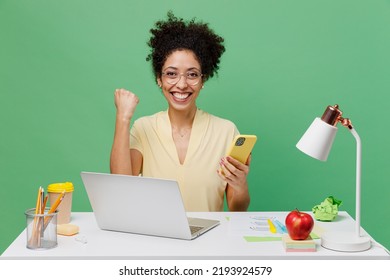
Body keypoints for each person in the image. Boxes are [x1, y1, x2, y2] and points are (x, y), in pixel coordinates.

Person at [110, 12, 251, 212]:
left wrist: (240, 184)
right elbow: (121, 191)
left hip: (209, 241)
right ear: (159, 79)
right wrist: (122, 118)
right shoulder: (143, 128)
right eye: (171, 74)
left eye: (192, 74)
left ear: (203, 80)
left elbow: (238, 210)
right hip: (156, 238)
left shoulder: (226, 131)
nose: (182, 84)